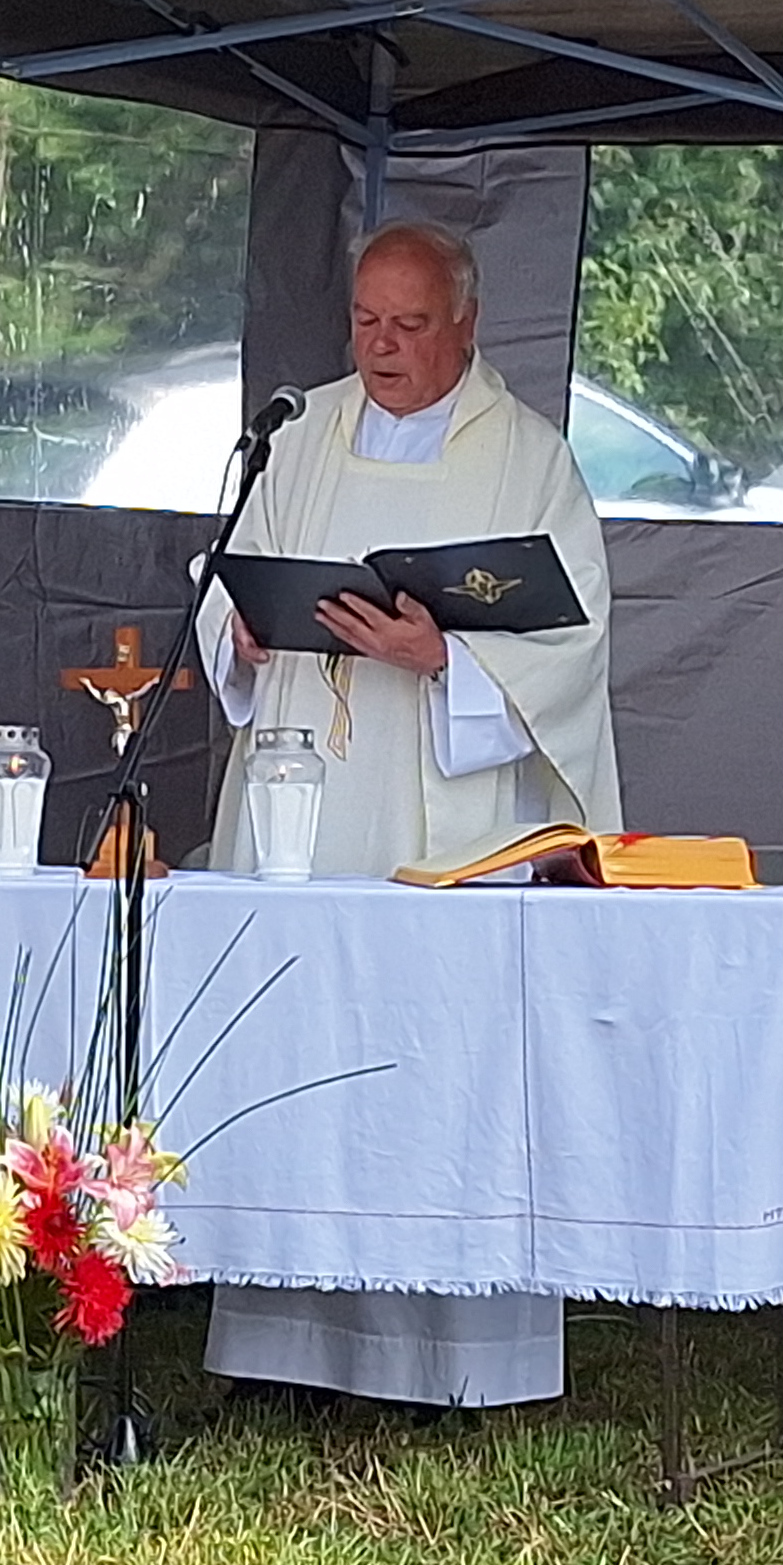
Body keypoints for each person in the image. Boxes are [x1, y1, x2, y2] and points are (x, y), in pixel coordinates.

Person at [190, 216, 624, 1411]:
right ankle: (282, 1350)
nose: (381, 346)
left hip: (449, 822)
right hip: (304, 804)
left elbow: (577, 645)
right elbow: (227, 574)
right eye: (365, 320)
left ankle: (445, 1365)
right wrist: (236, 628)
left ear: (467, 323)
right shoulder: (300, 436)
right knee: (291, 1058)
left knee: (432, 1072)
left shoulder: (528, 458)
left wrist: (447, 660)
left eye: (410, 324)